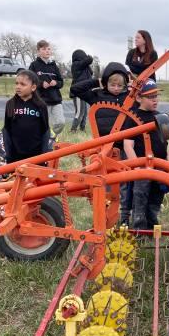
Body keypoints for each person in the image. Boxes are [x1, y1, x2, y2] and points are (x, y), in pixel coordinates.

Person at [70, 62, 133, 225]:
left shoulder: (129, 98)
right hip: (104, 147)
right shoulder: (96, 96)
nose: (117, 88)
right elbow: (75, 89)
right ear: (106, 82)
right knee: (105, 182)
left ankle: (125, 215)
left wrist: (134, 85)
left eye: (120, 85)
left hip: (125, 146)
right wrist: (96, 81)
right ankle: (105, 214)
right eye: (113, 84)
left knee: (125, 182)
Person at [122, 79, 168, 230]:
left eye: (156, 96)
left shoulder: (160, 116)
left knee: (156, 196)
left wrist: (166, 163)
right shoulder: (133, 117)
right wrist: (135, 167)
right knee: (140, 196)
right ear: (139, 98)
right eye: (150, 97)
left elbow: (164, 142)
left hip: (159, 166)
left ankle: (152, 224)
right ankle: (139, 229)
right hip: (142, 166)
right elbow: (128, 144)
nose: (155, 100)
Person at [2, 70, 50, 164]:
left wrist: (43, 156)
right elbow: (7, 129)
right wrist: (8, 155)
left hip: (36, 155)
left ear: (33, 87)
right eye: (17, 83)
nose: (18, 87)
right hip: (16, 155)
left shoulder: (41, 106)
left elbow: (45, 131)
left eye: (23, 84)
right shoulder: (10, 104)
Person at [29, 40, 64, 139]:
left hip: (56, 99)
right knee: (42, 124)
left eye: (48, 49)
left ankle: (52, 135)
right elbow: (29, 81)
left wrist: (56, 83)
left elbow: (61, 82)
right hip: (41, 100)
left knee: (61, 122)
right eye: (44, 49)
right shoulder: (34, 65)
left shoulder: (54, 65)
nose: (47, 51)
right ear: (38, 51)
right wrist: (41, 84)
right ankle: (43, 141)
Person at [69, 49, 93, 132]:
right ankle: (73, 129)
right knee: (79, 112)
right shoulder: (76, 65)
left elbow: (91, 72)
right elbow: (89, 60)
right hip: (78, 92)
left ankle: (82, 129)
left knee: (85, 113)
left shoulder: (84, 67)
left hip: (85, 92)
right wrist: (88, 57)